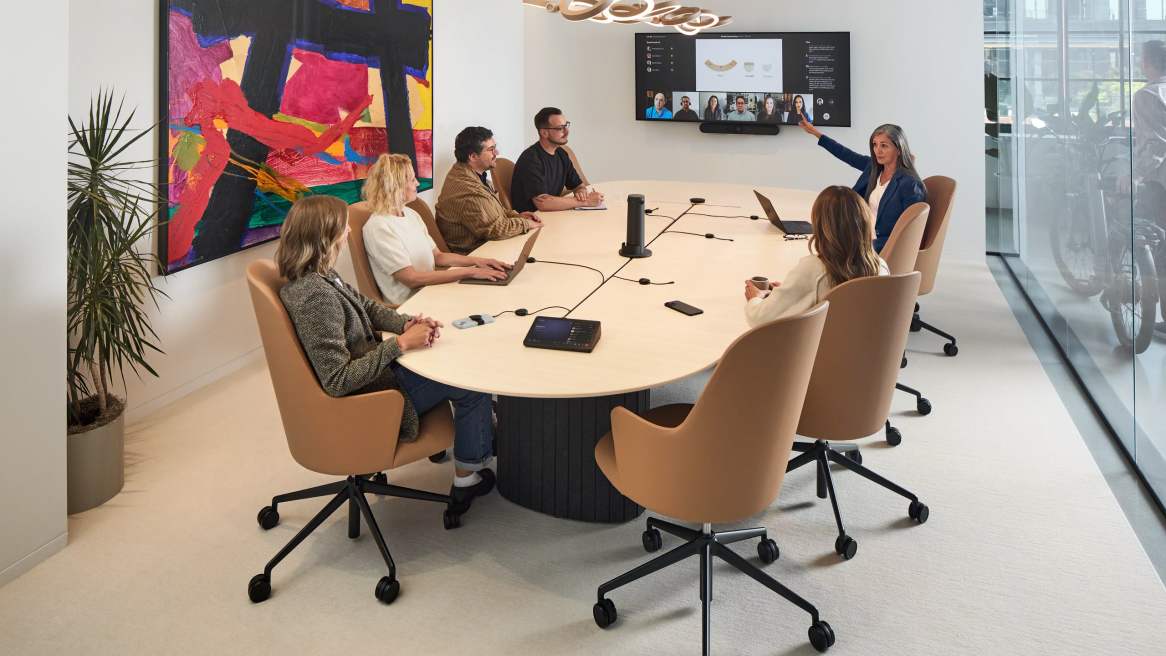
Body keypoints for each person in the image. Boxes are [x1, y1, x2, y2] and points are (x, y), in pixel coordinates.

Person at [276, 195, 495, 510]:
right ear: (325, 237)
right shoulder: (316, 298)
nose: (348, 234)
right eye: (342, 229)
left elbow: (365, 306)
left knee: (450, 357)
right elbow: (337, 380)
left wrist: (407, 323)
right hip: (375, 396)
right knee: (469, 383)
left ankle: (481, 435)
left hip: (379, 372)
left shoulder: (318, 275)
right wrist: (401, 344)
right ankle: (467, 480)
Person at [361, 154, 512, 306]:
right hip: (412, 305)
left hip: (432, 291)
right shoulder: (378, 227)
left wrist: (480, 261)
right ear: (395, 185)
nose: (418, 183)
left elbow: (438, 256)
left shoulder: (410, 214)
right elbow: (411, 279)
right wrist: (470, 271)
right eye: (413, 180)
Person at [744, 186, 889, 326]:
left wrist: (755, 299)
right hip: (867, 349)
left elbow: (759, 318)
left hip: (821, 350)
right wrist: (792, 292)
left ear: (821, 226)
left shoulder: (813, 269)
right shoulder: (882, 267)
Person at [799, 119, 927, 252]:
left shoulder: (910, 184)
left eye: (884, 146)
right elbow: (845, 154)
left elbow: (912, 231)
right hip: (859, 235)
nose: (878, 150)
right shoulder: (873, 168)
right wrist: (816, 133)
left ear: (899, 149)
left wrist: (867, 245)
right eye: (875, 145)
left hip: (882, 246)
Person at [435, 126, 543, 255]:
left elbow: (493, 213)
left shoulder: (470, 173)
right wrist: (525, 223)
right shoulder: (468, 190)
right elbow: (496, 230)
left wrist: (517, 216)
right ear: (473, 156)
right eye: (491, 149)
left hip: (489, 244)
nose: (496, 153)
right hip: (476, 254)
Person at [1128, 39, 1166, 334]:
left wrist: (1134, 174)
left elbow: (1154, 144)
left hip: (1160, 181)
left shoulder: (1148, 95)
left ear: (1148, 62)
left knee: (1160, 246)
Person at [510, 107, 604, 213]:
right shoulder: (530, 159)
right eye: (560, 128)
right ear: (544, 133)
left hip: (553, 215)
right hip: (533, 221)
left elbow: (578, 185)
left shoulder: (561, 153)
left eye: (566, 125)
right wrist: (585, 201)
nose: (567, 131)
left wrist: (581, 192)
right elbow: (543, 203)